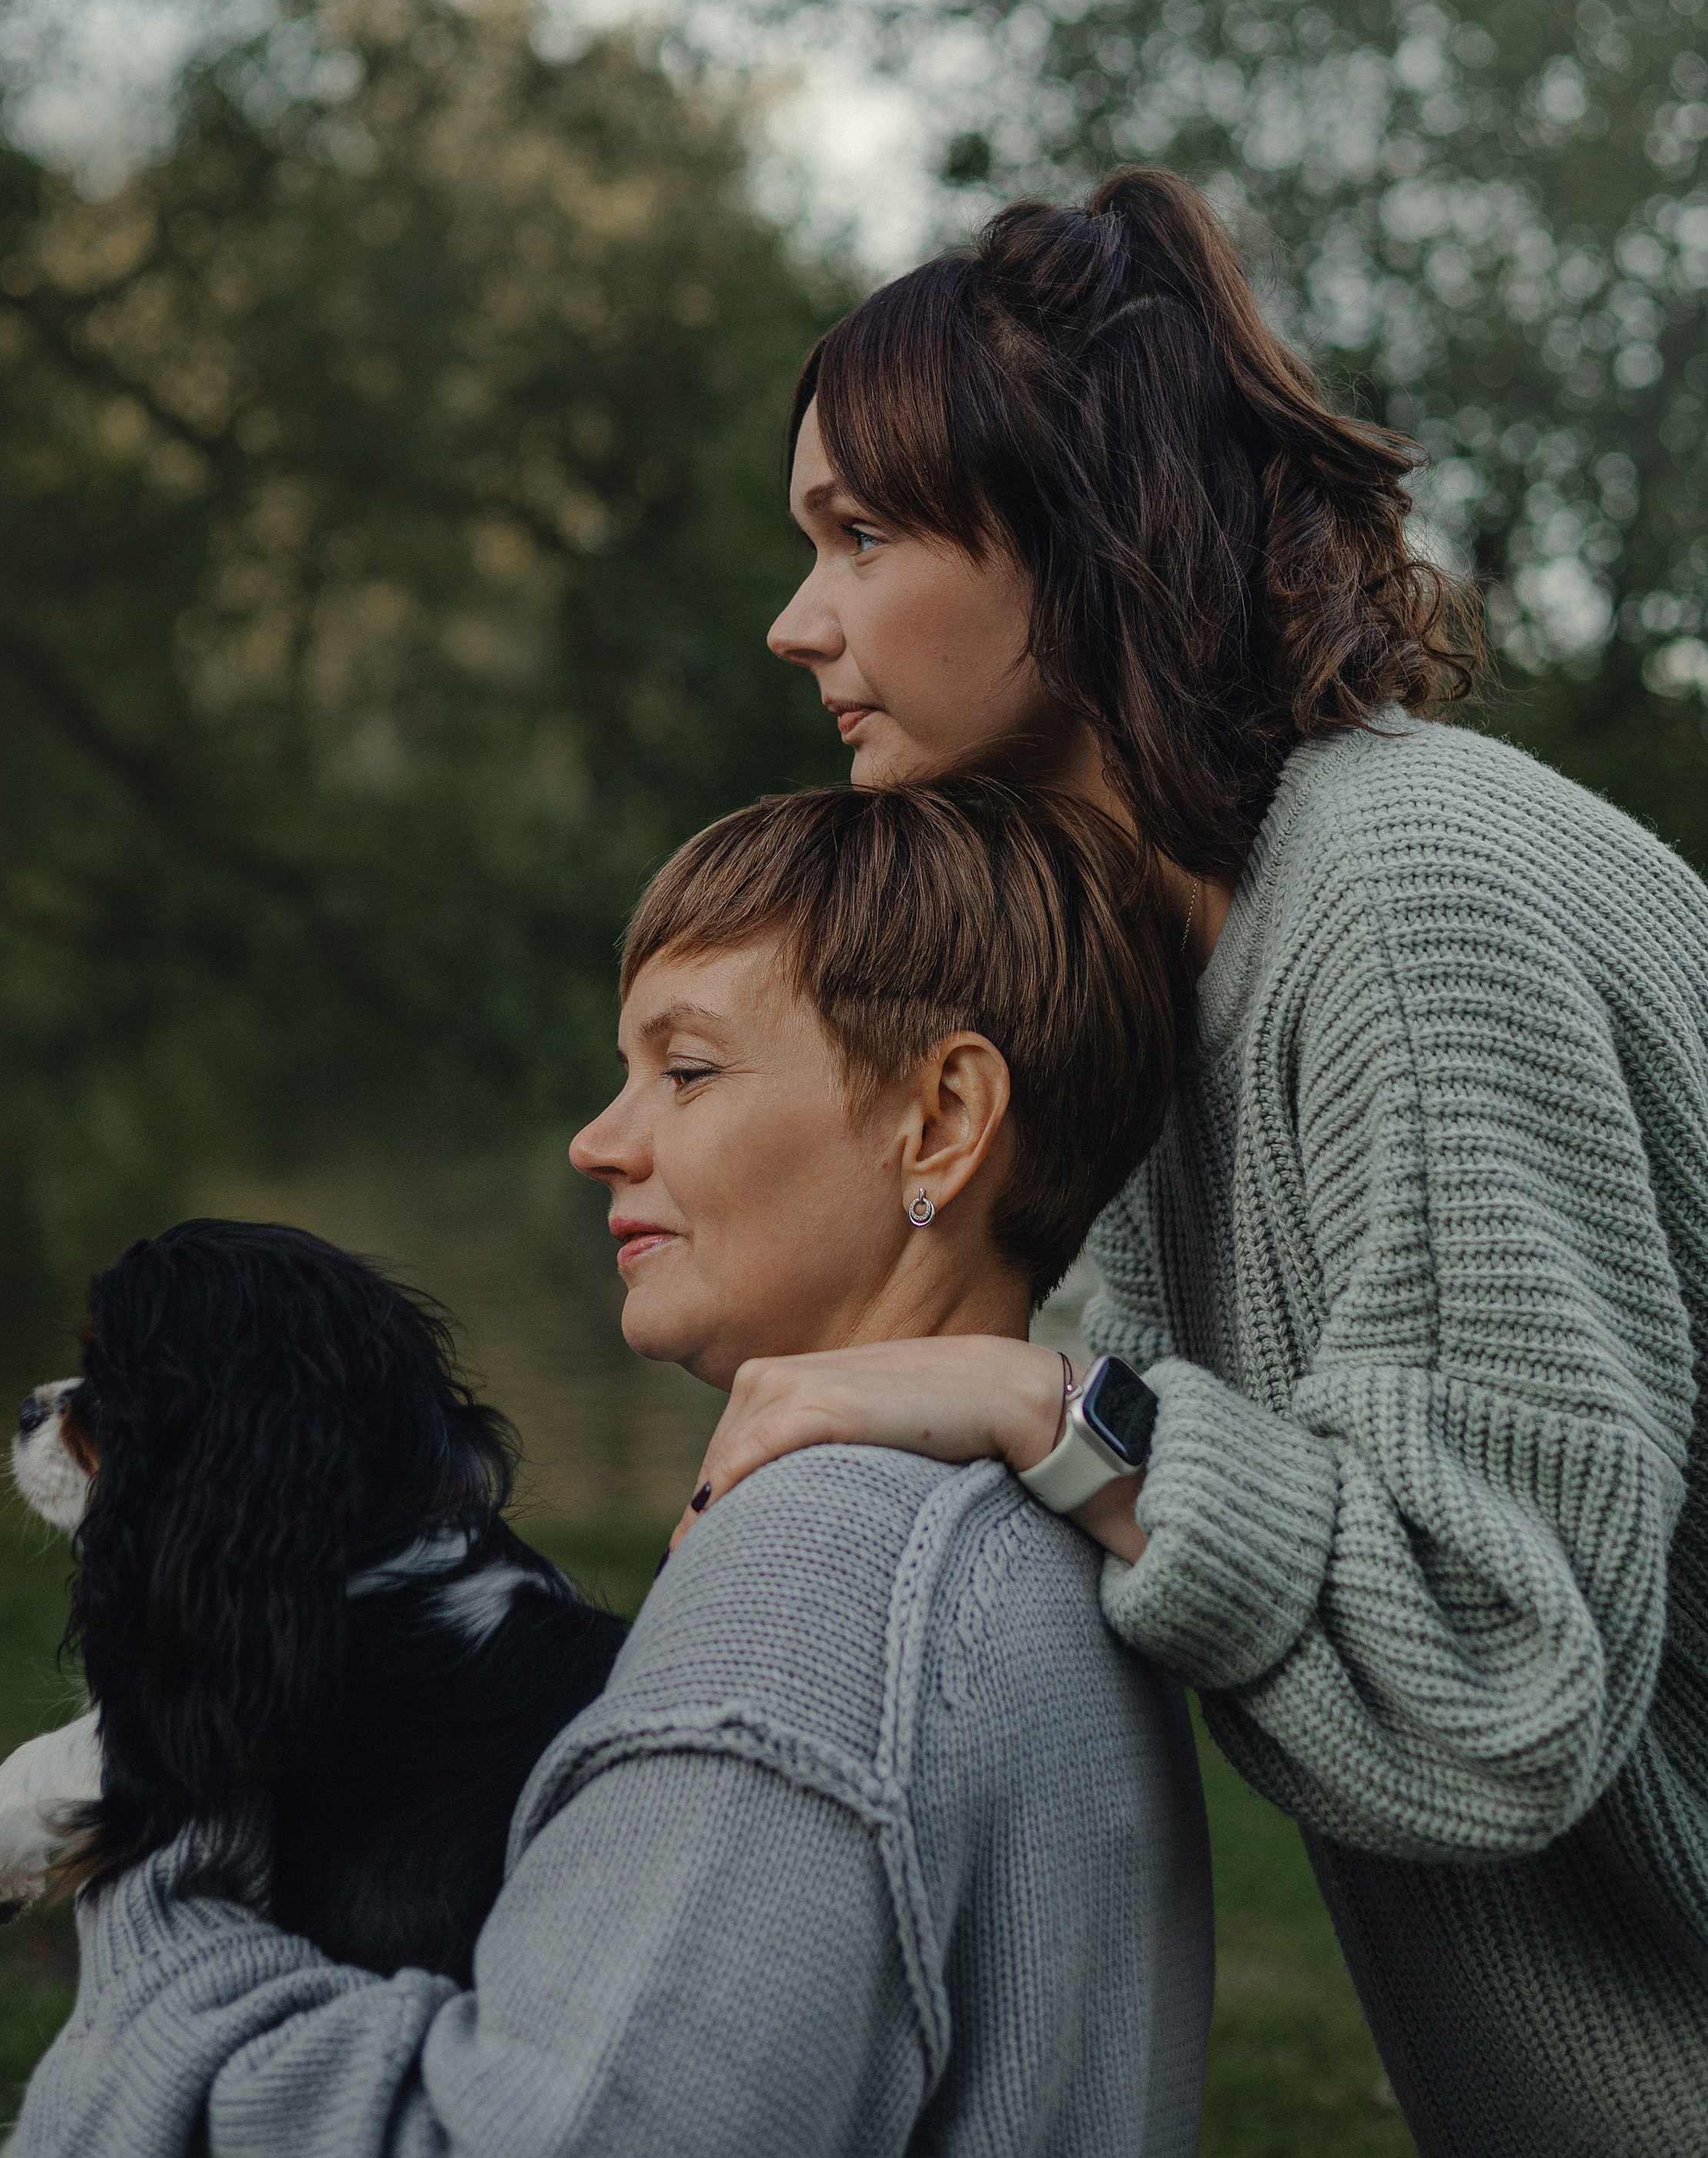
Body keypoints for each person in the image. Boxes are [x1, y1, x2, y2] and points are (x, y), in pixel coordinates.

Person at [675, 167, 1708, 2158]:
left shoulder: (1413, 899)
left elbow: (1496, 1681)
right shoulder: (1176, 973)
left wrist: (1042, 1406)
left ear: (1075, 529)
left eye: (863, 532)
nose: (797, 620)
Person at [6, 778, 1214, 2158]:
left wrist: (169, 1858)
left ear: (941, 1119)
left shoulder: (823, 1588)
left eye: (685, 1071)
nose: (597, 1139)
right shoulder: (1032, 1529)